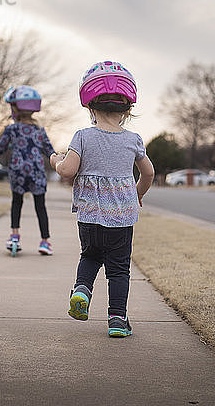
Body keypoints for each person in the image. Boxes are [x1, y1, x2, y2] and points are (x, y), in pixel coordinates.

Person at [50, 61, 154, 337]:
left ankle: (82, 290)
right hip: (121, 219)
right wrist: (138, 193)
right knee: (119, 270)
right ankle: (118, 320)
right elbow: (149, 172)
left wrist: (56, 161)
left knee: (90, 256)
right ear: (128, 109)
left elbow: (68, 170)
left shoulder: (83, 137)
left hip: (89, 217)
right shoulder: (133, 139)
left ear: (89, 106)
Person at [0, 85, 56, 256]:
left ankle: (15, 236)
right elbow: (49, 150)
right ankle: (45, 242)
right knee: (40, 206)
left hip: (18, 170)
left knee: (17, 202)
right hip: (37, 171)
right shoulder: (39, 130)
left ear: (15, 108)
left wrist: (5, 145)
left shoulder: (12, 129)